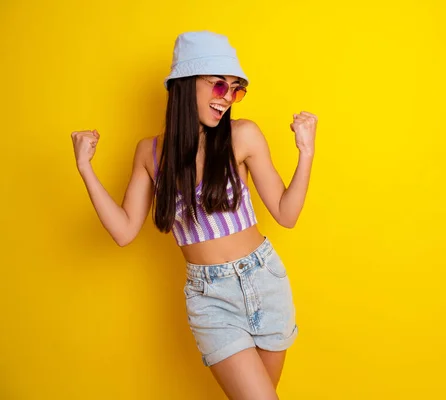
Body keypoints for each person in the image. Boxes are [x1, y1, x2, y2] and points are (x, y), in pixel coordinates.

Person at [70, 30, 317, 399]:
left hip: (264, 282)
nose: (228, 98)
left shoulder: (243, 135)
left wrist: (306, 152)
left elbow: (286, 213)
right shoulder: (150, 154)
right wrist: (85, 168)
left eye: (236, 89)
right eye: (219, 86)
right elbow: (123, 231)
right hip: (210, 296)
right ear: (186, 84)